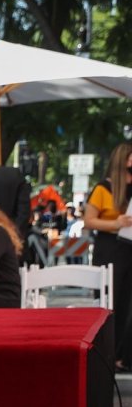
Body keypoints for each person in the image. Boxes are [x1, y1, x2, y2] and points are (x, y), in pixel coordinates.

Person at [84, 142, 132, 370]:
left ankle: (124, 355)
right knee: (111, 301)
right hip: (110, 248)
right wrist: (116, 223)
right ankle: (108, 353)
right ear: (123, 159)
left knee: (128, 302)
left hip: (129, 248)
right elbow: (89, 220)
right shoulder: (104, 188)